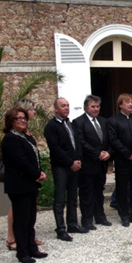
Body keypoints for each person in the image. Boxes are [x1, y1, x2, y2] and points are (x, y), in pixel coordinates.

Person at [1, 107, 48, 263]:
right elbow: (21, 161)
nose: (22, 120)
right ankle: (22, 253)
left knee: (30, 219)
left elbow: (34, 158)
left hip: (30, 184)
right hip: (19, 185)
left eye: (24, 118)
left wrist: (39, 172)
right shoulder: (10, 139)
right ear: (10, 121)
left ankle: (32, 248)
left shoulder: (25, 137)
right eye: (18, 118)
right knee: (21, 220)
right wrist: (36, 174)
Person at [44, 98, 88, 242]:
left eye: (68, 105)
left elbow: (77, 143)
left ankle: (72, 223)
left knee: (73, 197)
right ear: (56, 109)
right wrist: (70, 163)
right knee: (60, 198)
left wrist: (79, 160)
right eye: (63, 106)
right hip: (62, 167)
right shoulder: (51, 126)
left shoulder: (70, 123)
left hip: (75, 165)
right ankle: (60, 228)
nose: (66, 108)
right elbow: (56, 149)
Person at [72, 95, 112, 230]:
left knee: (99, 191)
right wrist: (97, 153)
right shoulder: (78, 122)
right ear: (86, 108)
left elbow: (109, 139)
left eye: (97, 106)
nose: (96, 109)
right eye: (93, 107)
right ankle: (87, 220)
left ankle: (100, 216)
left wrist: (108, 153)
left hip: (101, 164)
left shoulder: (104, 121)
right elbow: (81, 142)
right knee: (87, 192)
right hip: (88, 163)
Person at [108, 93, 132, 227]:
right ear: (120, 105)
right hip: (123, 160)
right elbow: (114, 140)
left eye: (131, 102)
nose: (131, 104)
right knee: (122, 188)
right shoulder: (114, 121)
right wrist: (127, 153)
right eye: (127, 102)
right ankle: (124, 215)